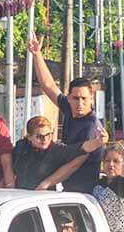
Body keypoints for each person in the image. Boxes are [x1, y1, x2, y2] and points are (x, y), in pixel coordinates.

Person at [29, 33, 103, 193]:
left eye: (84, 98)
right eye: (76, 98)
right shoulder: (69, 107)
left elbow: (74, 164)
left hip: (86, 192)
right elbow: (48, 85)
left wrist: (46, 183)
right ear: (69, 98)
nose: (80, 103)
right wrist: (37, 54)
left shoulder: (91, 126)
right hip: (68, 186)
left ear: (91, 98)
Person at [13, 116, 107, 191]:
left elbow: (80, 148)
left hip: (42, 199)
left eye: (48, 135)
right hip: (19, 195)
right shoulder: (21, 146)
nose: (45, 139)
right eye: (39, 136)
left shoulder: (56, 151)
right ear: (29, 137)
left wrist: (99, 141)